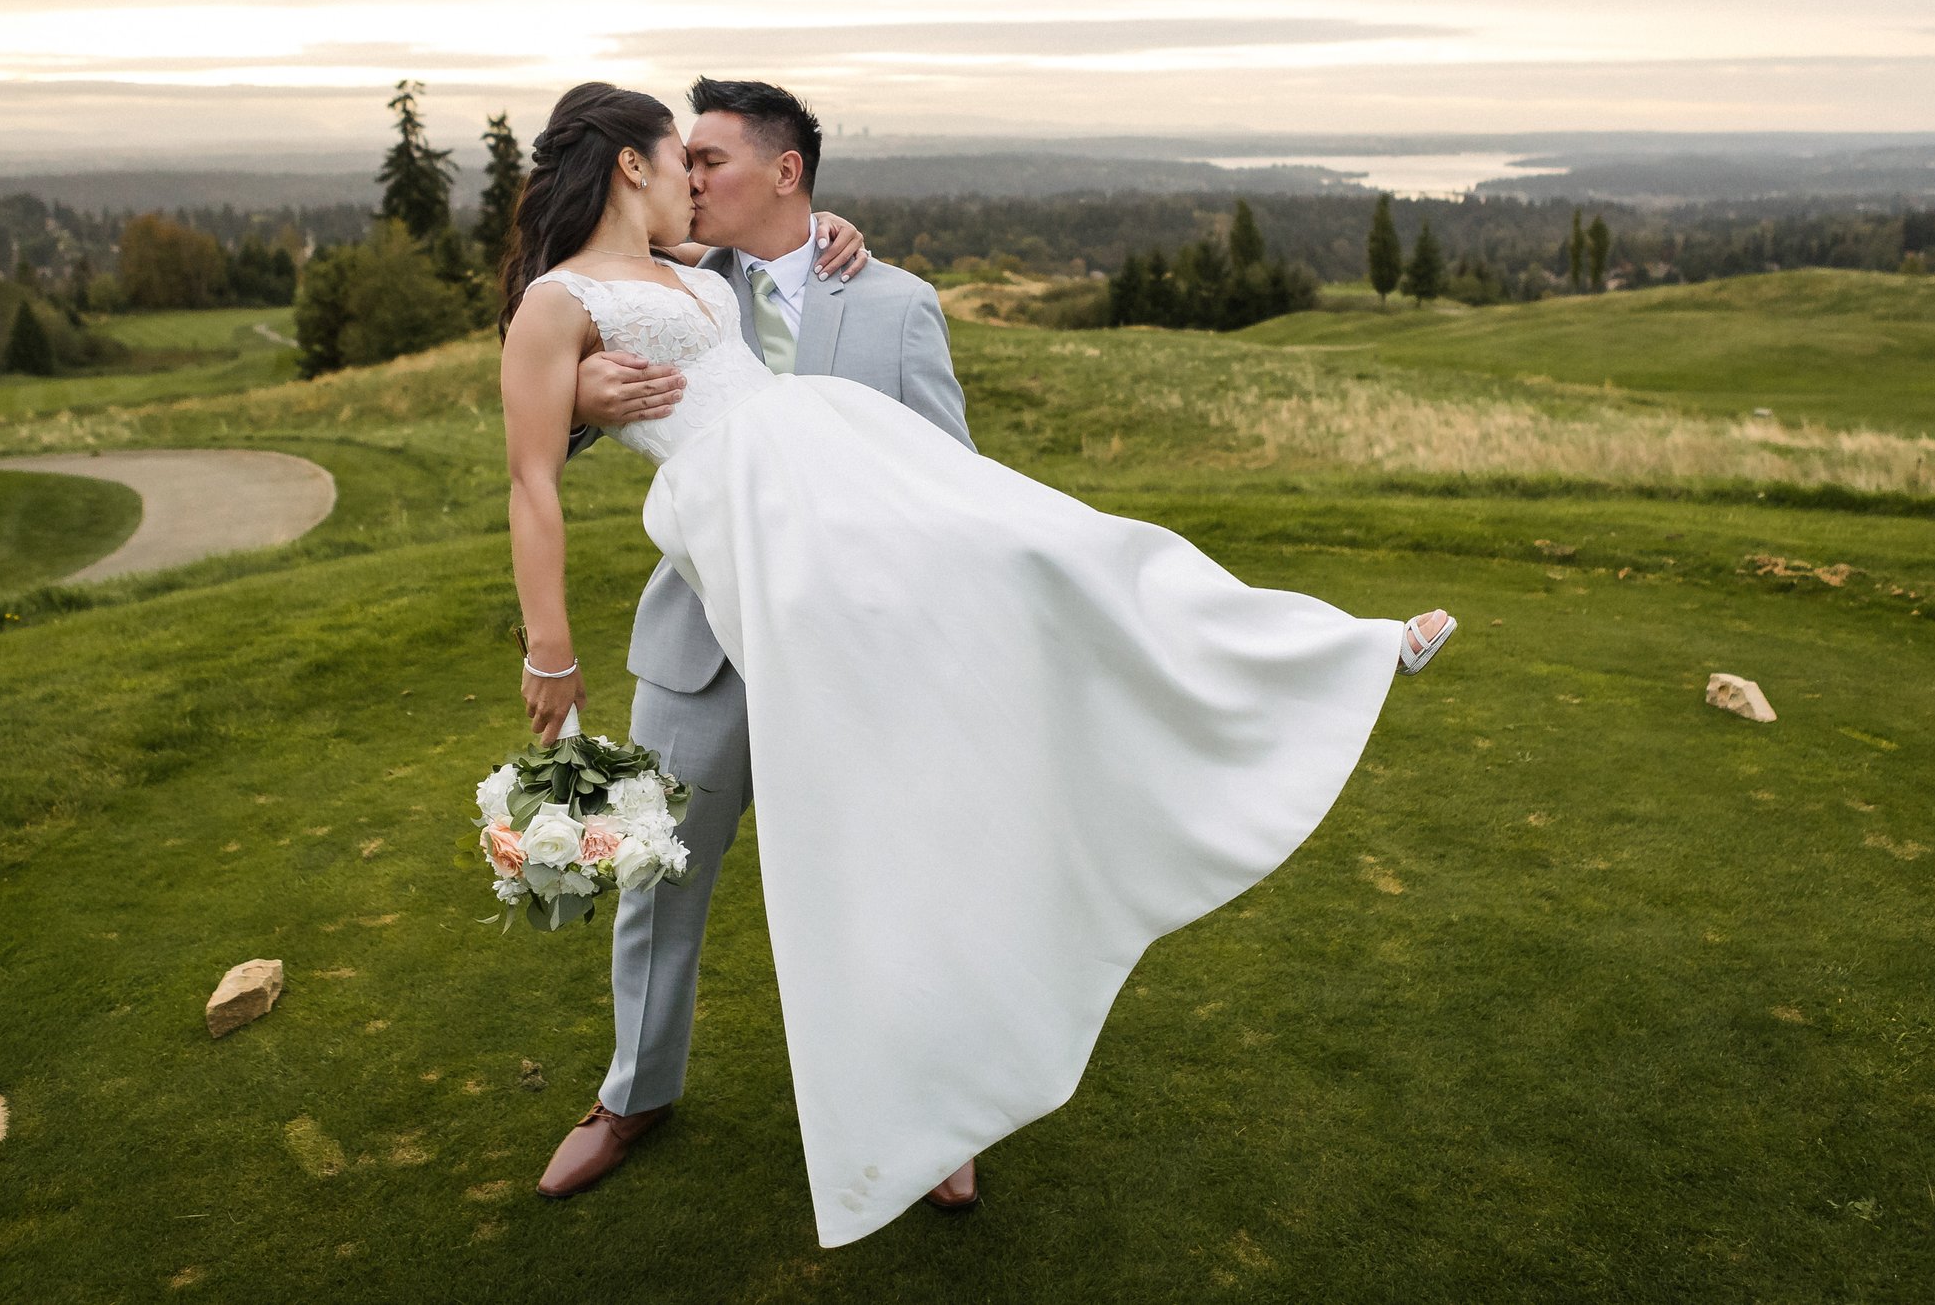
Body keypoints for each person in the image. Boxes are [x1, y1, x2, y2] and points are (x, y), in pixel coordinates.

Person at [497, 79, 1454, 1248]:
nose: (694, 178)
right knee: (659, 876)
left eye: (713, 160)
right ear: (635, 170)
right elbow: (551, 423)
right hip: (706, 627)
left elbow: (946, 473)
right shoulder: (661, 279)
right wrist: (587, 410)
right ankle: (634, 1092)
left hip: (864, 619)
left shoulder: (868, 292)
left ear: (788, 175)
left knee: (915, 839)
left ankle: (942, 1111)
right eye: (678, 159)